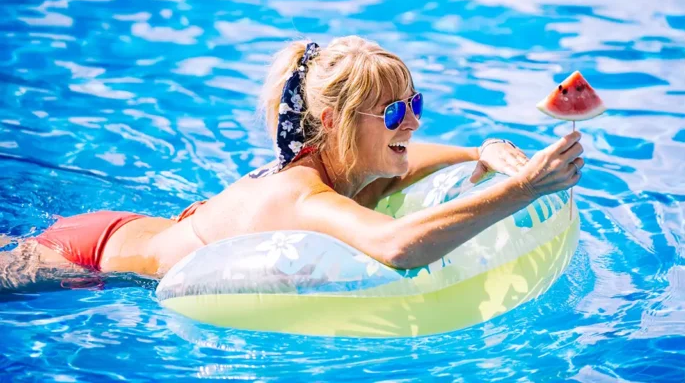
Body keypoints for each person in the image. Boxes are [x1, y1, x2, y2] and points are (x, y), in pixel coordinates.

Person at [0, 36, 583, 293]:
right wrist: (526, 189)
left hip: (130, 226)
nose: (413, 122)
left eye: (416, 104)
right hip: (83, 257)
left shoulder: (353, 165)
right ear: (332, 122)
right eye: (394, 112)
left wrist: (477, 151)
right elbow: (401, 247)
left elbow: (409, 161)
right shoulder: (301, 195)